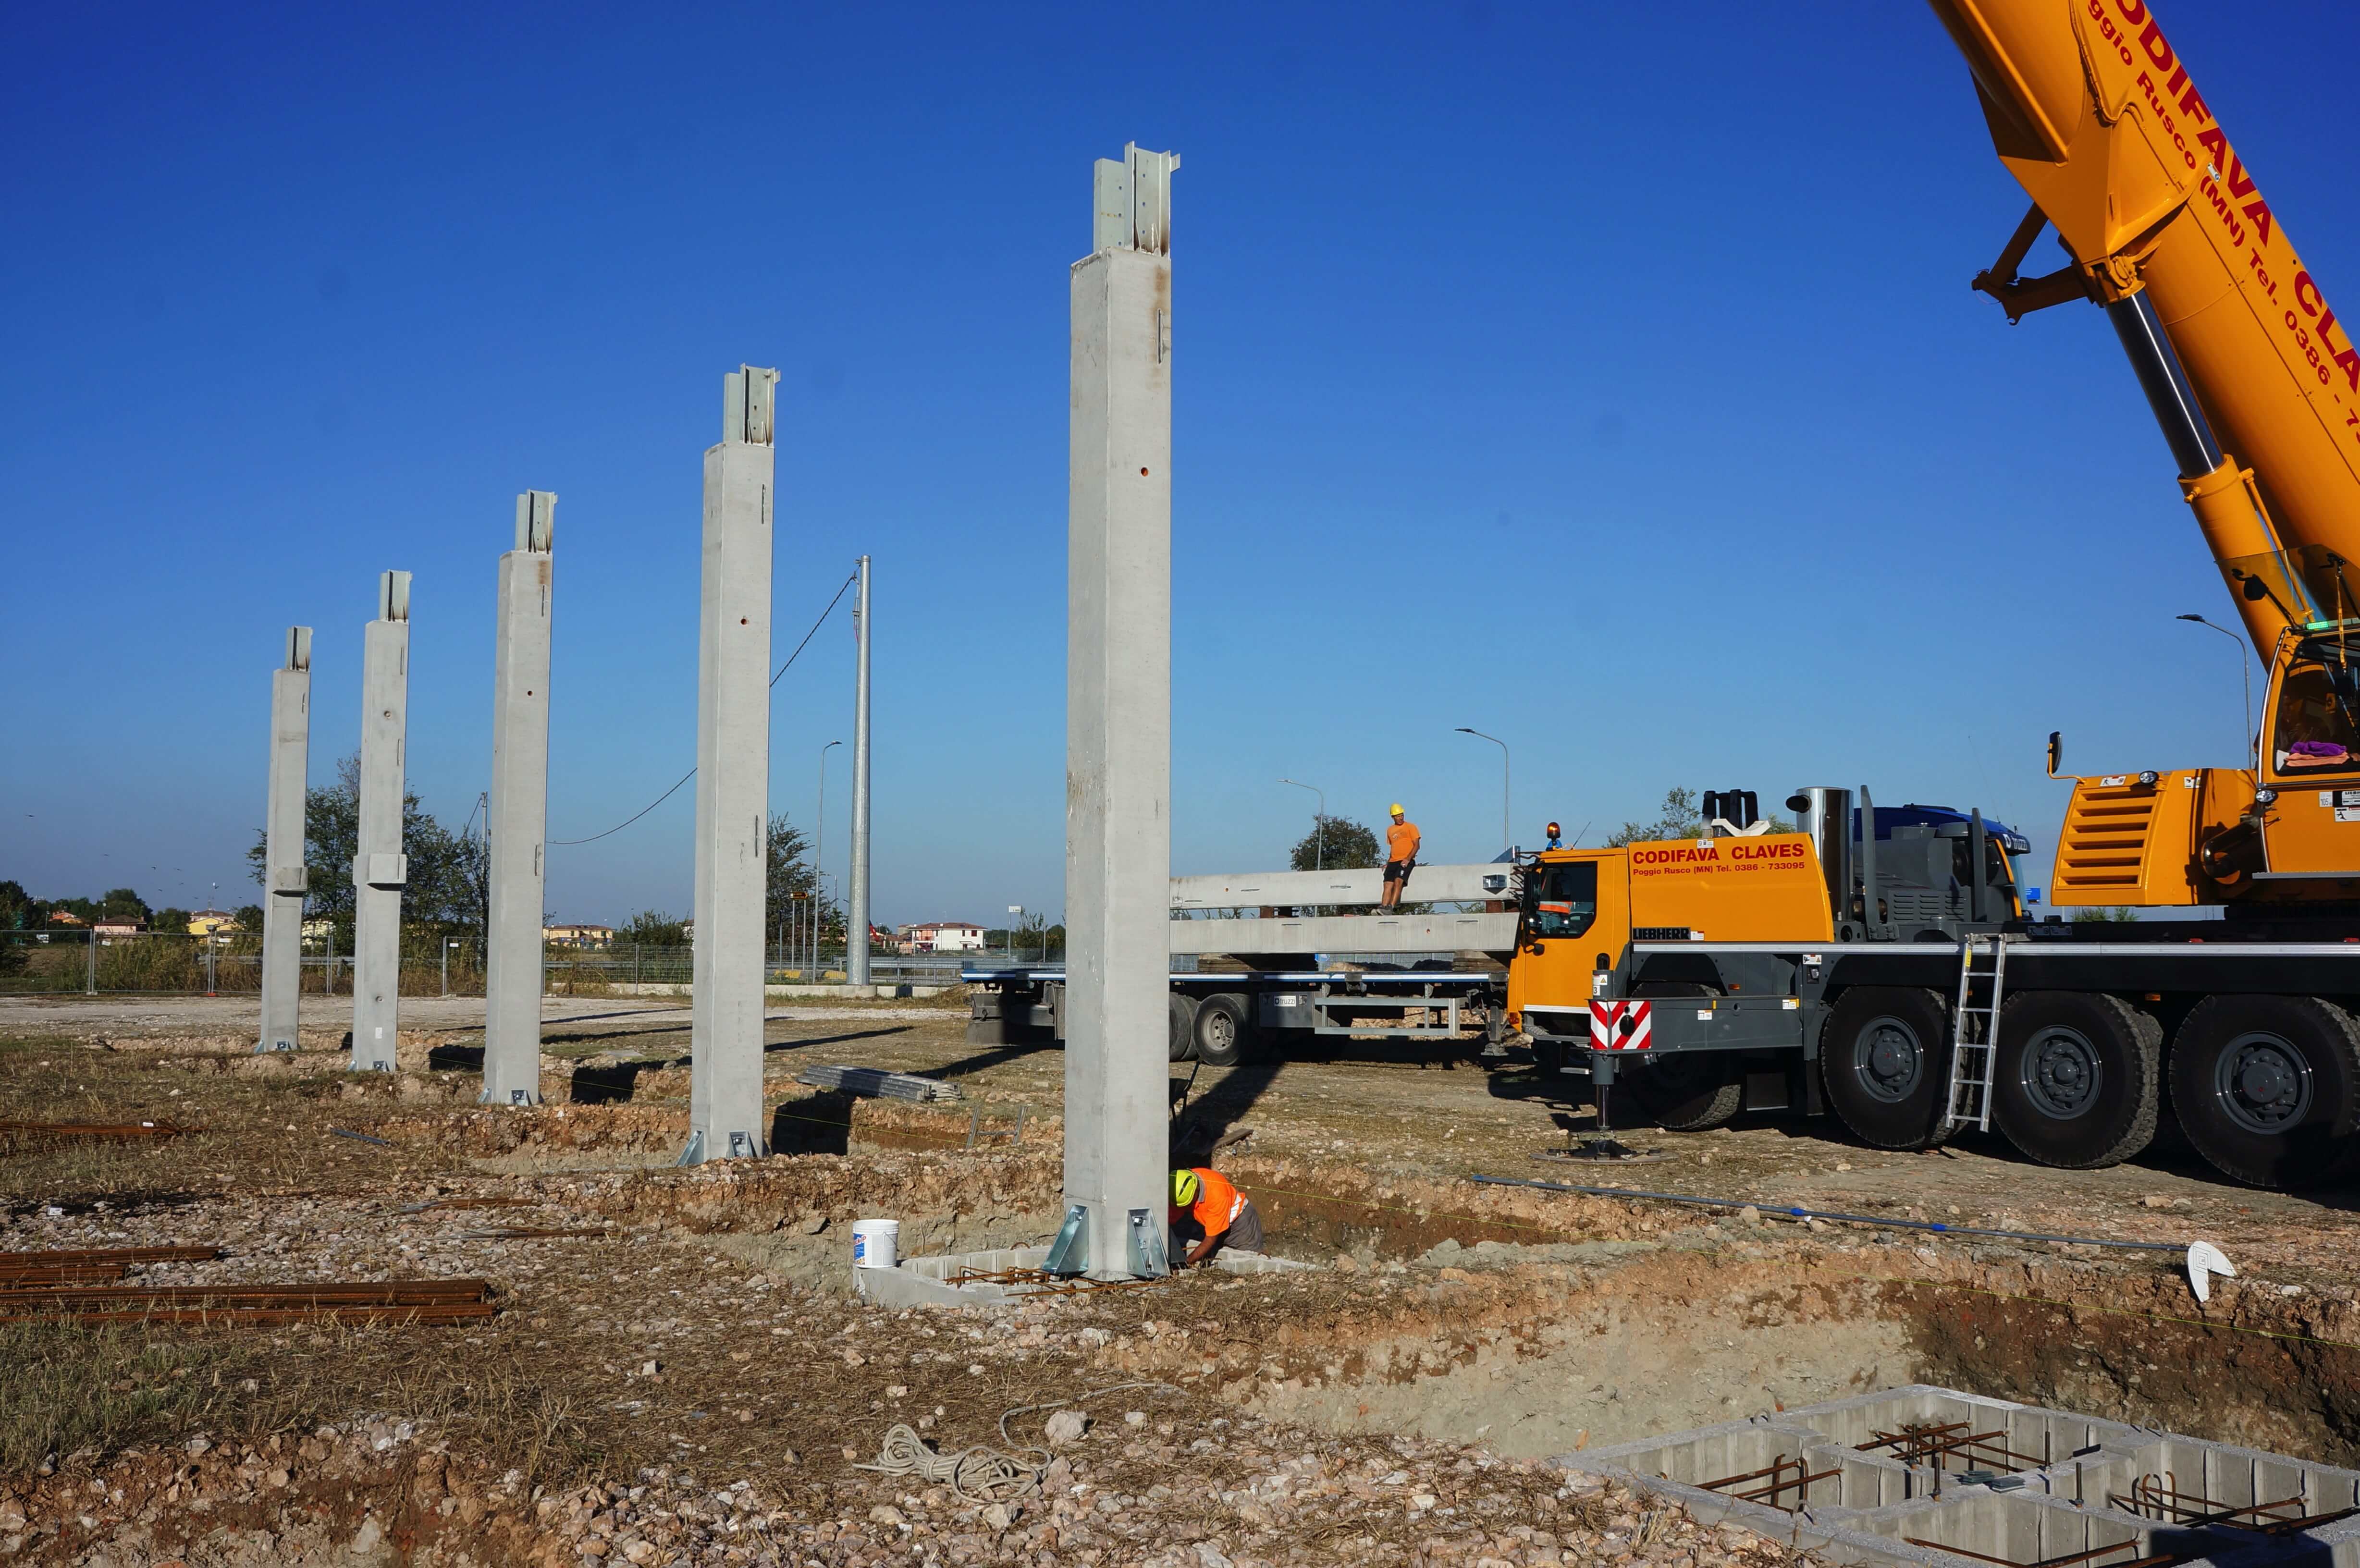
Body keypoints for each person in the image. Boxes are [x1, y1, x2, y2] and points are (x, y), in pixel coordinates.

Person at [1170, 1167, 1263, 1266]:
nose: (1188, 1206)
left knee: (1249, 1262)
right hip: (1215, 1220)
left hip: (1240, 1225)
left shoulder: (1217, 1196)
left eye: (1190, 1202)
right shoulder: (1181, 1181)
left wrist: (1187, 1262)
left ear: (1197, 1189)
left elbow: (1210, 1240)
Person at [1380, 803, 1420, 911]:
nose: (1401, 818)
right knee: (1387, 884)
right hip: (1393, 861)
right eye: (1398, 816)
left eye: (1402, 815)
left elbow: (1417, 846)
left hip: (1405, 860)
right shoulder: (1390, 830)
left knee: (1398, 881)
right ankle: (1383, 907)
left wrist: (1408, 859)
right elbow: (1393, 848)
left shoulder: (1411, 827)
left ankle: (1390, 908)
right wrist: (1388, 862)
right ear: (1393, 817)